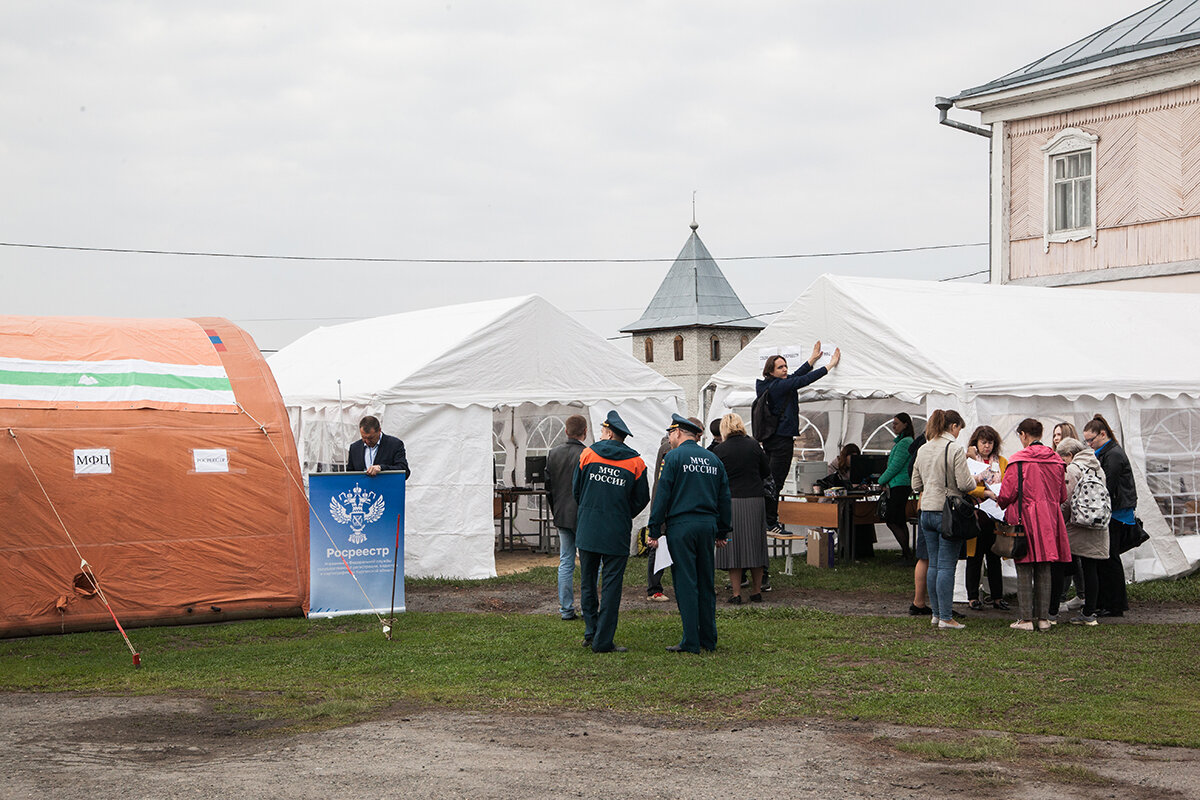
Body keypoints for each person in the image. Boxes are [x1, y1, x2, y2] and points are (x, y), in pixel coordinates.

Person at [647, 414, 732, 653]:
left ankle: (691, 640)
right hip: (707, 525)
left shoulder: (672, 458)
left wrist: (654, 529)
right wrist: (723, 530)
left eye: (670, 434)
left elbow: (662, 496)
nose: (669, 439)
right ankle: (708, 638)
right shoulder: (714, 460)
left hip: (681, 526)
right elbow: (724, 497)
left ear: (677, 433)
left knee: (685, 582)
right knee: (706, 581)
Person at [572, 410, 649, 653]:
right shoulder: (636, 462)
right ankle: (603, 640)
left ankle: (590, 631)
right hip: (616, 530)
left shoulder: (588, 454)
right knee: (612, 586)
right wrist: (623, 513)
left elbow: (577, 490)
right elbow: (642, 498)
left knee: (587, 582)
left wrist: (588, 509)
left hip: (588, 527)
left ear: (608, 433)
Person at [996, 418, 1072, 632]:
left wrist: (997, 497)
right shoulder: (1057, 461)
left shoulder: (1018, 461)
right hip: (1050, 519)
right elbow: (1061, 496)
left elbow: (1007, 495)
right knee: (1045, 567)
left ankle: (1026, 619)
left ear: (1023, 435)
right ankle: (1044, 619)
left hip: (1025, 518)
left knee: (1024, 567)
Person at [756, 343, 841, 535]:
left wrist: (811, 360)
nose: (785, 369)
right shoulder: (778, 387)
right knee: (775, 482)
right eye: (780, 367)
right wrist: (829, 365)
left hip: (772, 439)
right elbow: (803, 381)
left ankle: (766, 520)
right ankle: (770, 523)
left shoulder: (772, 385)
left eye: (786, 366)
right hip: (781, 440)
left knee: (769, 481)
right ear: (770, 371)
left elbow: (795, 377)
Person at [911, 409, 979, 630]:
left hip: (927, 511)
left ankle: (936, 614)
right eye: (959, 428)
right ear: (953, 427)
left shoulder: (923, 448)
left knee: (934, 564)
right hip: (948, 512)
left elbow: (915, 485)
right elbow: (966, 485)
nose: (959, 433)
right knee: (947, 567)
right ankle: (946, 617)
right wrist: (976, 477)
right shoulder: (955, 448)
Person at [712, 413, 770, 604]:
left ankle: (736, 594)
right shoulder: (754, 446)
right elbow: (766, 471)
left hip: (731, 501)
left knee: (733, 547)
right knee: (756, 545)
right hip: (755, 499)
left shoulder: (720, 450)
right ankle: (756, 591)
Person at [1082, 414, 1136, 618]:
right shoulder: (1108, 452)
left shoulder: (1112, 455)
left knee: (1110, 559)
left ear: (1102, 434)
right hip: (1115, 511)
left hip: (1117, 513)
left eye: (1091, 440)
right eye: (1086, 441)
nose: (1089, 444)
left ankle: (1115, 605)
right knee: (1107, 558)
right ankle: (1109, 602)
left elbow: (1107, 486)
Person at [1055, 436, 1111, 626]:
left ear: (1069, 455)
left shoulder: (1073, 469)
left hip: (1076, 526)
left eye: (1062, 458)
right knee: (1090, 569)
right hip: (1097, 524)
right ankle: (1089, 614)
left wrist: (1058, 522)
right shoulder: (1097, 466)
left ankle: (1052, 612)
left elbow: (1066, 500)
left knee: (1060, 567)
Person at [545, 414, 588, 621]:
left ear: (565, 431)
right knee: (590, 563)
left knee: (566, 561)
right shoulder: (588, 454)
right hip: (583, 515)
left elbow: (549, 488)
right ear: (585, 432)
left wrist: (556, 510)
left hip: (562, 513)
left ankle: (566, 608)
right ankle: (588, 606)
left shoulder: (553, 453)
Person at [964, 425, 1007, 611]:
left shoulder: (1003, 462)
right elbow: (966, 485)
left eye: (990, 443)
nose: (987, 446)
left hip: (996, 516)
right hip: (976, 514)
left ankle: (997, 597)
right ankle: (972, 597)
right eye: (983, 442)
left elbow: (1008, 483)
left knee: (995, 557)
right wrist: (985, 492)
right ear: (976, 443)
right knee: (974, 557)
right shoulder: (969, 462)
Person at [814, 443, 875, 558]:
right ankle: (849, 550)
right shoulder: (833, 468)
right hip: (832, 504)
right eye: (851, 457)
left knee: (864, 514)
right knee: (849, 515)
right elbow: (830, 485)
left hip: (848, 503)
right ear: (844, 456)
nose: (853, 461)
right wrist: (851, 485)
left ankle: (864, 551)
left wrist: (860, 486)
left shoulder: (855, 469)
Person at [876, 413, 916, 562]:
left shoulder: (905, 443)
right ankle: (907, 553)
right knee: (899, 520)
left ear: (905, 424)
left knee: (892, 520)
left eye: (896, 423)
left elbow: (895, 466)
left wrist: (881, 480)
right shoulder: (904, 442)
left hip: (899, 485)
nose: (893, 426)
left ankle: (907, 552)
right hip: (900, 485)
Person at [645, 433, 674, 603]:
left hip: (665, 506)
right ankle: (654, 589)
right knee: (657, 548)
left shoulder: (668, 448)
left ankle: (655, 588)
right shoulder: (667, 450)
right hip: (665, 507)